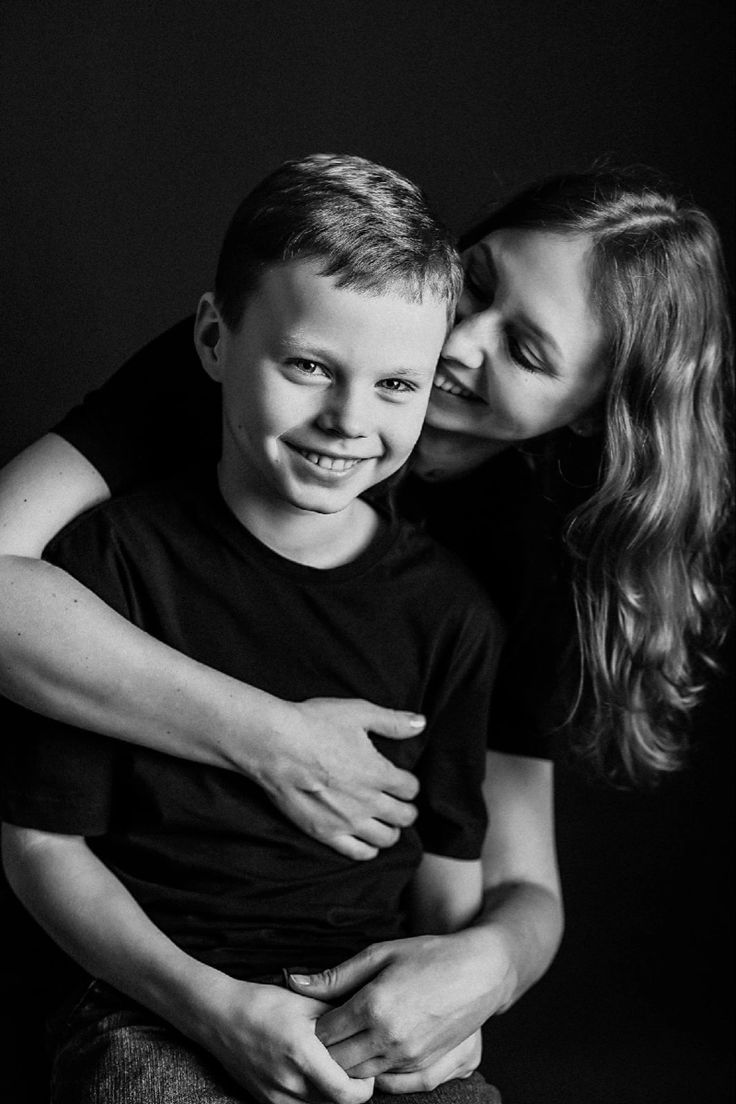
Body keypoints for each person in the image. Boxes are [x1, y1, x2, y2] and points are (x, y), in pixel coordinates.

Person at [0, 162, 730, 1080]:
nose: (461, 337)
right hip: (130, 956)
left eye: (528, 351)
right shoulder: (282, 351)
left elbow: (512, 876)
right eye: (478, 281)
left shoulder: (520, 560)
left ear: (587, 417)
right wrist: (270, 738)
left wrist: (480, 974)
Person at [1, 153, 507, 1104]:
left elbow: (450, 874)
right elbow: (40, 847)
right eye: (309, 365)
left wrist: (450, 1009)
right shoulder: (105, 567)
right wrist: (212, 1006)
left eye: (399, 384)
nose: (349, 419)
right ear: (211, 339)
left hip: (365, 1021)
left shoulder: (452, 614)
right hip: (153, 1005)